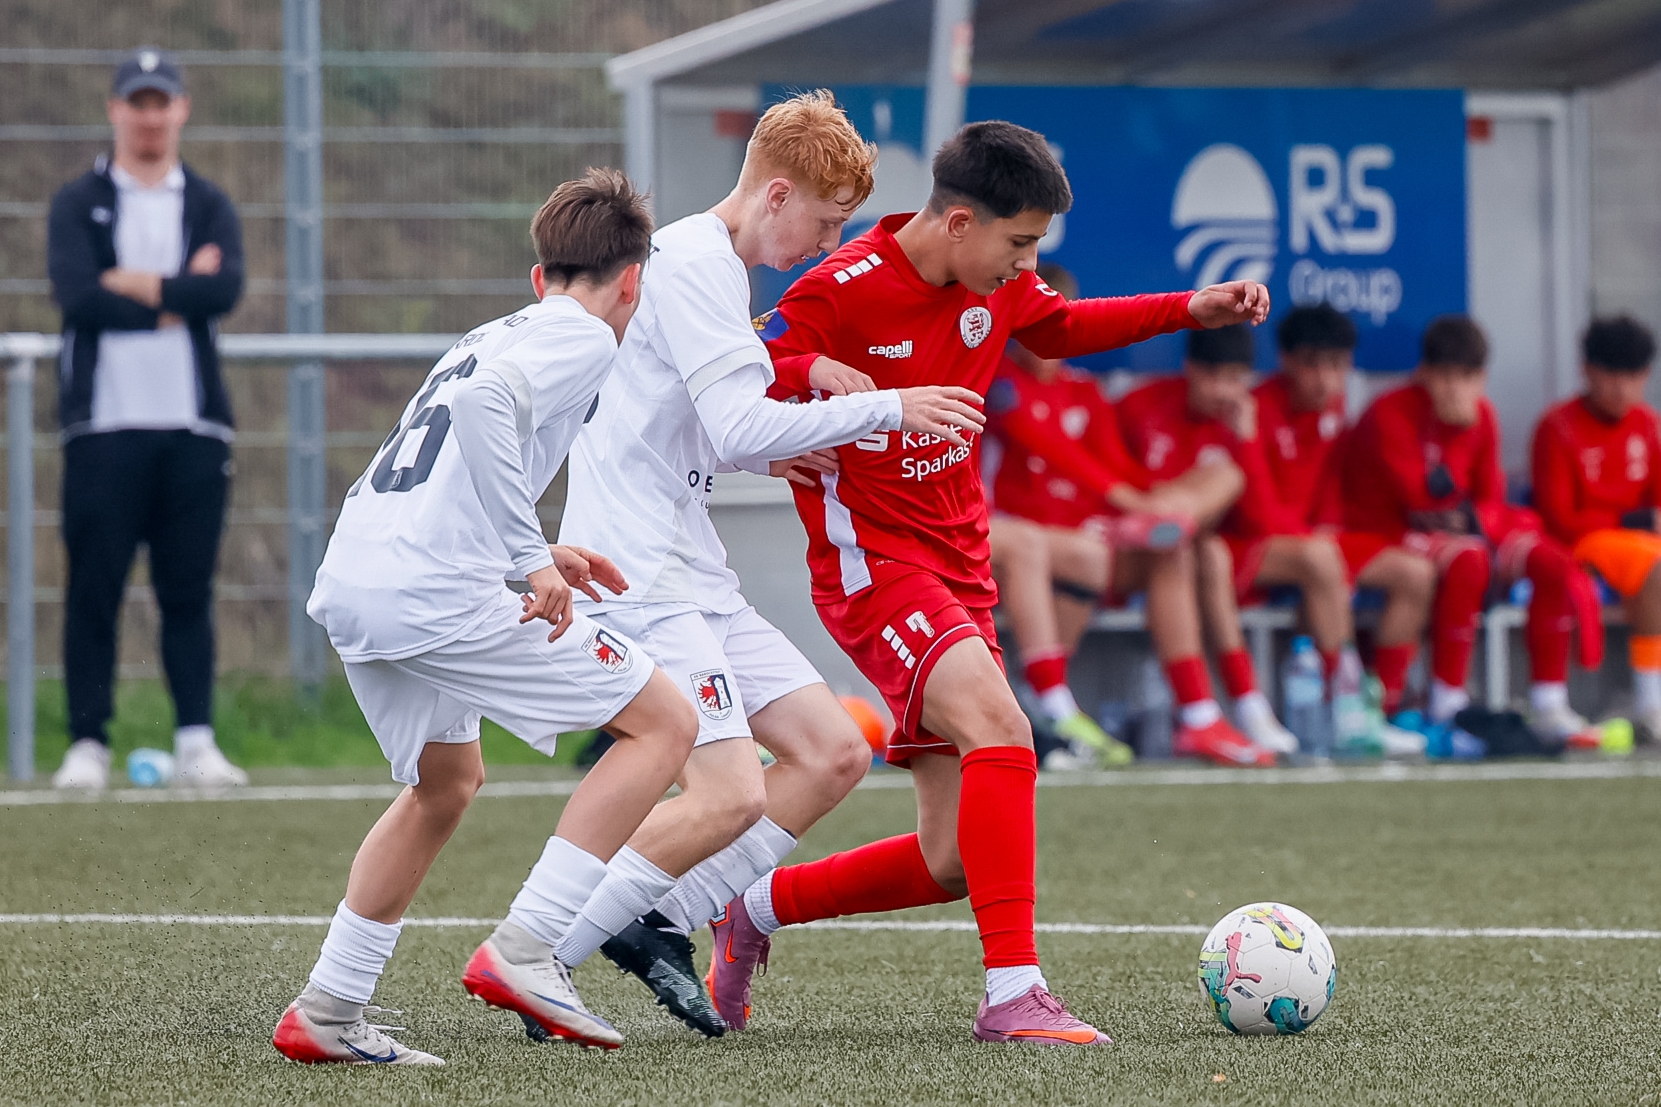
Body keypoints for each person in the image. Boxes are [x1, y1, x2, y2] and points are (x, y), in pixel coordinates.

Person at [711, 120, 1270, 1046]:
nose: (1027, 266)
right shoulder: (841, 285)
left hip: (960, 567)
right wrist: (807, 370)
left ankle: (753, 907)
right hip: (874, 568)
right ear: (960, 222)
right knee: (1005, 730)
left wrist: (1190, 309)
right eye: (1020, 243)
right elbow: (740, 370)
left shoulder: (996, 285)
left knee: (950, 859)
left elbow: (1062, 328)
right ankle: (1014, 993)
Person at [551, 91, 981, 1038]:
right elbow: (740, 423)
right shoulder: (697, 261)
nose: (829, 245)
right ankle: (537, 955)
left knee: (833, 751)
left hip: (691, 570)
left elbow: (708, 426)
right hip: (643, 574)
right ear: (777, 193)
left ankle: (659, 914)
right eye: (826, 223)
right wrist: (889, 405)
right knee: (732, 790)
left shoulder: (713, 266)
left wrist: (790, 421)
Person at [272, 170, 701, 1065]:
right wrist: (529, 559)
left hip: (361, 576)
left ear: (539, 274)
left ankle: (328, 1007)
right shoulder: (584, 333)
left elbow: (453, 454)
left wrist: (537, 550)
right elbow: (481, 409)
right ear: (632, 280)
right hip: (432, 593)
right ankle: (528, 946)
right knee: (665, 722)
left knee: (445, 782)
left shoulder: (495, 331)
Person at [46, 47, 246, 790]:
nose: (150, 117)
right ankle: (86, 744)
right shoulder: (77, 203)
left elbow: (222, 291)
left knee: (187, 590)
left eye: (163, 103)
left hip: (193, 430)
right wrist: (173, 293)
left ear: (181, 110)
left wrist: (133, 284)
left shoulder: (209, 204)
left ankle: (196, 738)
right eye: (138, 103)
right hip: (102, 428)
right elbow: (78, 295)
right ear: (116, 110)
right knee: (93, 590)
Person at [984, 263, 1255, 768]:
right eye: (1034, 320)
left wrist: (1156, 500)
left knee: (1178, 541)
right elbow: (1049, 445)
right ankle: (1051, 703)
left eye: (1056, 320)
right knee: (1056, 547)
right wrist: (1131, 501)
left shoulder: (1085, 390)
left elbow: (1115, 465)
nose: (1046, 333)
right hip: (1023, 537)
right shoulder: (1000, 380)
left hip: (1091, 540)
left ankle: (1200, 715)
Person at [1340, 315, 1602, 748]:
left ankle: (1550, 702)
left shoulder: (1483, 414)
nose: (1456, 389)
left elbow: (1489, 500)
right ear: (1424, 373)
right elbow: (1422, 500)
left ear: (1482, 377)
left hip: (1455, 533)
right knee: (1468, 558)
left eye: (1467, 377)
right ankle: (1447, 701)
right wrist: (1469, 508)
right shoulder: (1390, 413)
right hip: (1384, 533)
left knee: (1550, 561)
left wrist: (1474, 518)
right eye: (1445, 376)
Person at [1116, 326, 1341, 757]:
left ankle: (1250, 706)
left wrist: (1246, 439)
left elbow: (1259, 522)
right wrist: (1156, 498)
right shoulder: (1140, 406)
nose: (1224, 390)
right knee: (1198, 537)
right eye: (1214, 376)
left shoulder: (1242, 417)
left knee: (1217, 519)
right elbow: (1113, 476)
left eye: (1235, 378)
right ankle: (1244, 704)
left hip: (1201, 550)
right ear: (1190, 369)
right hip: (1133, 547)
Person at [1248, 305, 1438, 724]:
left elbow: (1333, 488)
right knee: (1321, 558)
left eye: (1336, 365)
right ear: (1286, 361)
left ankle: (1383, 708)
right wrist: (1317, 540)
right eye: (1312, 365)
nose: (1325, 378)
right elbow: (1257, 512)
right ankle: (1347, 704)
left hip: (1314, 543)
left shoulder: (1334, 409)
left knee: (1416, 573)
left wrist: (1328, 530)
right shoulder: (1256, 409)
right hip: (1256, 545)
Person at [1531, 315, 1661, 740]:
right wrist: (1629, 521)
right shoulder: (1557, 426)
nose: (1622, 388)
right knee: (1656, 567)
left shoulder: (1648, 425)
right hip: (1581, 544)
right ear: (1588, 371)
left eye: (1633, 377)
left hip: (1636, 547)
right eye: (1612, 376)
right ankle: (1652, 702)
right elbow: (1558, 518)